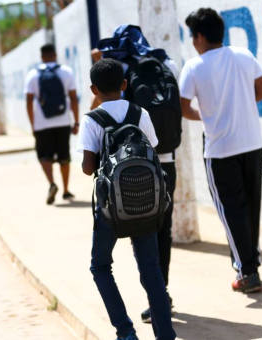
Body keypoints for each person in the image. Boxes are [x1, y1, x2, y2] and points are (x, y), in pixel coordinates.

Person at [78, 58, 176, 340]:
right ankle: (165, 335)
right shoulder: (140, 112)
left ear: (94, 89)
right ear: (124, 85)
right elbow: (153, 149)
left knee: (100, 265)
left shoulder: (92, 119)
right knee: (150, 270)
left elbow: (87, 168)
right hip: (145, 203)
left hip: (110, 208)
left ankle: (125, 332)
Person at [91, 25, 182, 324]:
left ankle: (134, 321)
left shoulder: (119, 69)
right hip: (162, 166)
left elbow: (100, 110)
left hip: (118, 177)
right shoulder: (163, 64)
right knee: (160, 231)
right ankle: (161, 297)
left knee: (110, 254)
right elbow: (154, 143)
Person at [179, 8, 262, 293]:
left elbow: (183, 107)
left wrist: (208, 116)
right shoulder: (244, 55)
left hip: (220, 150)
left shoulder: (194, 67)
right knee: (250, 209)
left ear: (200, 37)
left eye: (193, 36)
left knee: (231, 211)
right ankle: (248, 263)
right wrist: (240, 104)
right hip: (252, 144)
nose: (193, 41)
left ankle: (247, 272)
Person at [25, 43, 79, 205]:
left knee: (44, 156)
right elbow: (74, 98)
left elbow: (28, 101)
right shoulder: (66, 72)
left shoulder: (33, 74)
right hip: (63, 121)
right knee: (64, 156)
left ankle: (52, 183)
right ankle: (66, 190)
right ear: (55, 55)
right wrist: (75, 121)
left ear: (41, 57)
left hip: (42, 124)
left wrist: (33, 124)